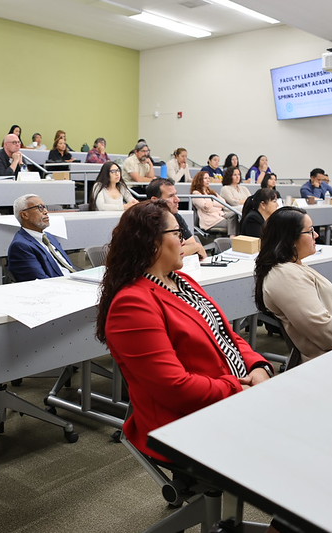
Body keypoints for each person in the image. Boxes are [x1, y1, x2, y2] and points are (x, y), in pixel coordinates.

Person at [95, 200, 271, 460]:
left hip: (228, 400)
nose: (185, 241)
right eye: (177, 234)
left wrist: (258, 366)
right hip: (188, 422)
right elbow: (174, 387)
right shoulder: (132, 304)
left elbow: (225, 334)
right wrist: (238, 389)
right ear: (152, 241)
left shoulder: (182, 281)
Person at [255, 207, 332, 362]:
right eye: (310, 231)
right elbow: (322, 329)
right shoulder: (284, 276)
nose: (316, 235)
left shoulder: (294, 266)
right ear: (290, 238)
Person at [7, 194, 77, 282]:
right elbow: (42, 282)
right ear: (24, 215)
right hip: (60, 286)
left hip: (74, 280)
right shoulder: (21, 246)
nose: (46, 211)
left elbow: (69, 267)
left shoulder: (49, 236)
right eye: (40, 208)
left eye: (45, 207)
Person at [146, 178, 207, 259]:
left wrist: (194, 247)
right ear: (155, 200)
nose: (177, 200)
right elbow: (164, 255)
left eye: (176, 195)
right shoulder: (147, 221)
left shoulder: (176, 216)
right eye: (171, 196)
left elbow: (198, 251)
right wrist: (195, 247)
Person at [190, 171, 238, 235]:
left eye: (208, 178)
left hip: (220, 215)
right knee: (235, 223)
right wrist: (215, 204)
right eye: (205, 178)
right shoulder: (196, 193)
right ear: (199, 180)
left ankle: (233, 237)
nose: (208, 180)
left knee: (235, 214)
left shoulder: (211, 192)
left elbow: (223, 203)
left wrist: (212, 204)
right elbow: (206, 207)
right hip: (210, 220)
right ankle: (232, 238)